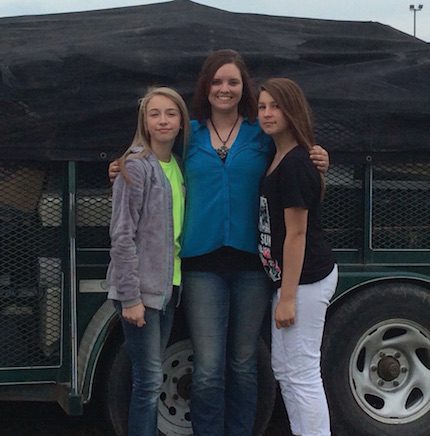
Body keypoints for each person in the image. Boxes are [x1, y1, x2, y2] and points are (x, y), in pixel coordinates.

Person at [109, 49, 329, 436]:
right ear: (205, 87)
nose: (224, 89)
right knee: (209, 366)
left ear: (243, 88)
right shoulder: (188, 133)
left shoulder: (259, 133)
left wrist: (319, 156)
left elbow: (292, 155)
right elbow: (153, 155)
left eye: (232, 82)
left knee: (244, 363)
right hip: (200, 265)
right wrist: (120, 165)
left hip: (252, 265)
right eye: (216, 81)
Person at [106, 86, 189, 436]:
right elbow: (122, 235)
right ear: (144, 120)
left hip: (169, 288)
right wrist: (130, 298)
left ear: (181, 120)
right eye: (155, 114)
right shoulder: (136, 168)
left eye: (170, 113)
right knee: (149, 380)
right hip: (142, 292)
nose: (163, 120)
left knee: (150, 380)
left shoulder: (177, 167)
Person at [257, 77, 338, 436]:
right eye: (261, 107)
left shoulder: (295, 164)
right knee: (286, 371)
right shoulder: (279, 156)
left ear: (293, 111)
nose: (267, 113)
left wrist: (287, 298)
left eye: (275, 106)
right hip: (290, 280)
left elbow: (297, 233)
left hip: (304, 280)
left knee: (301, 372)